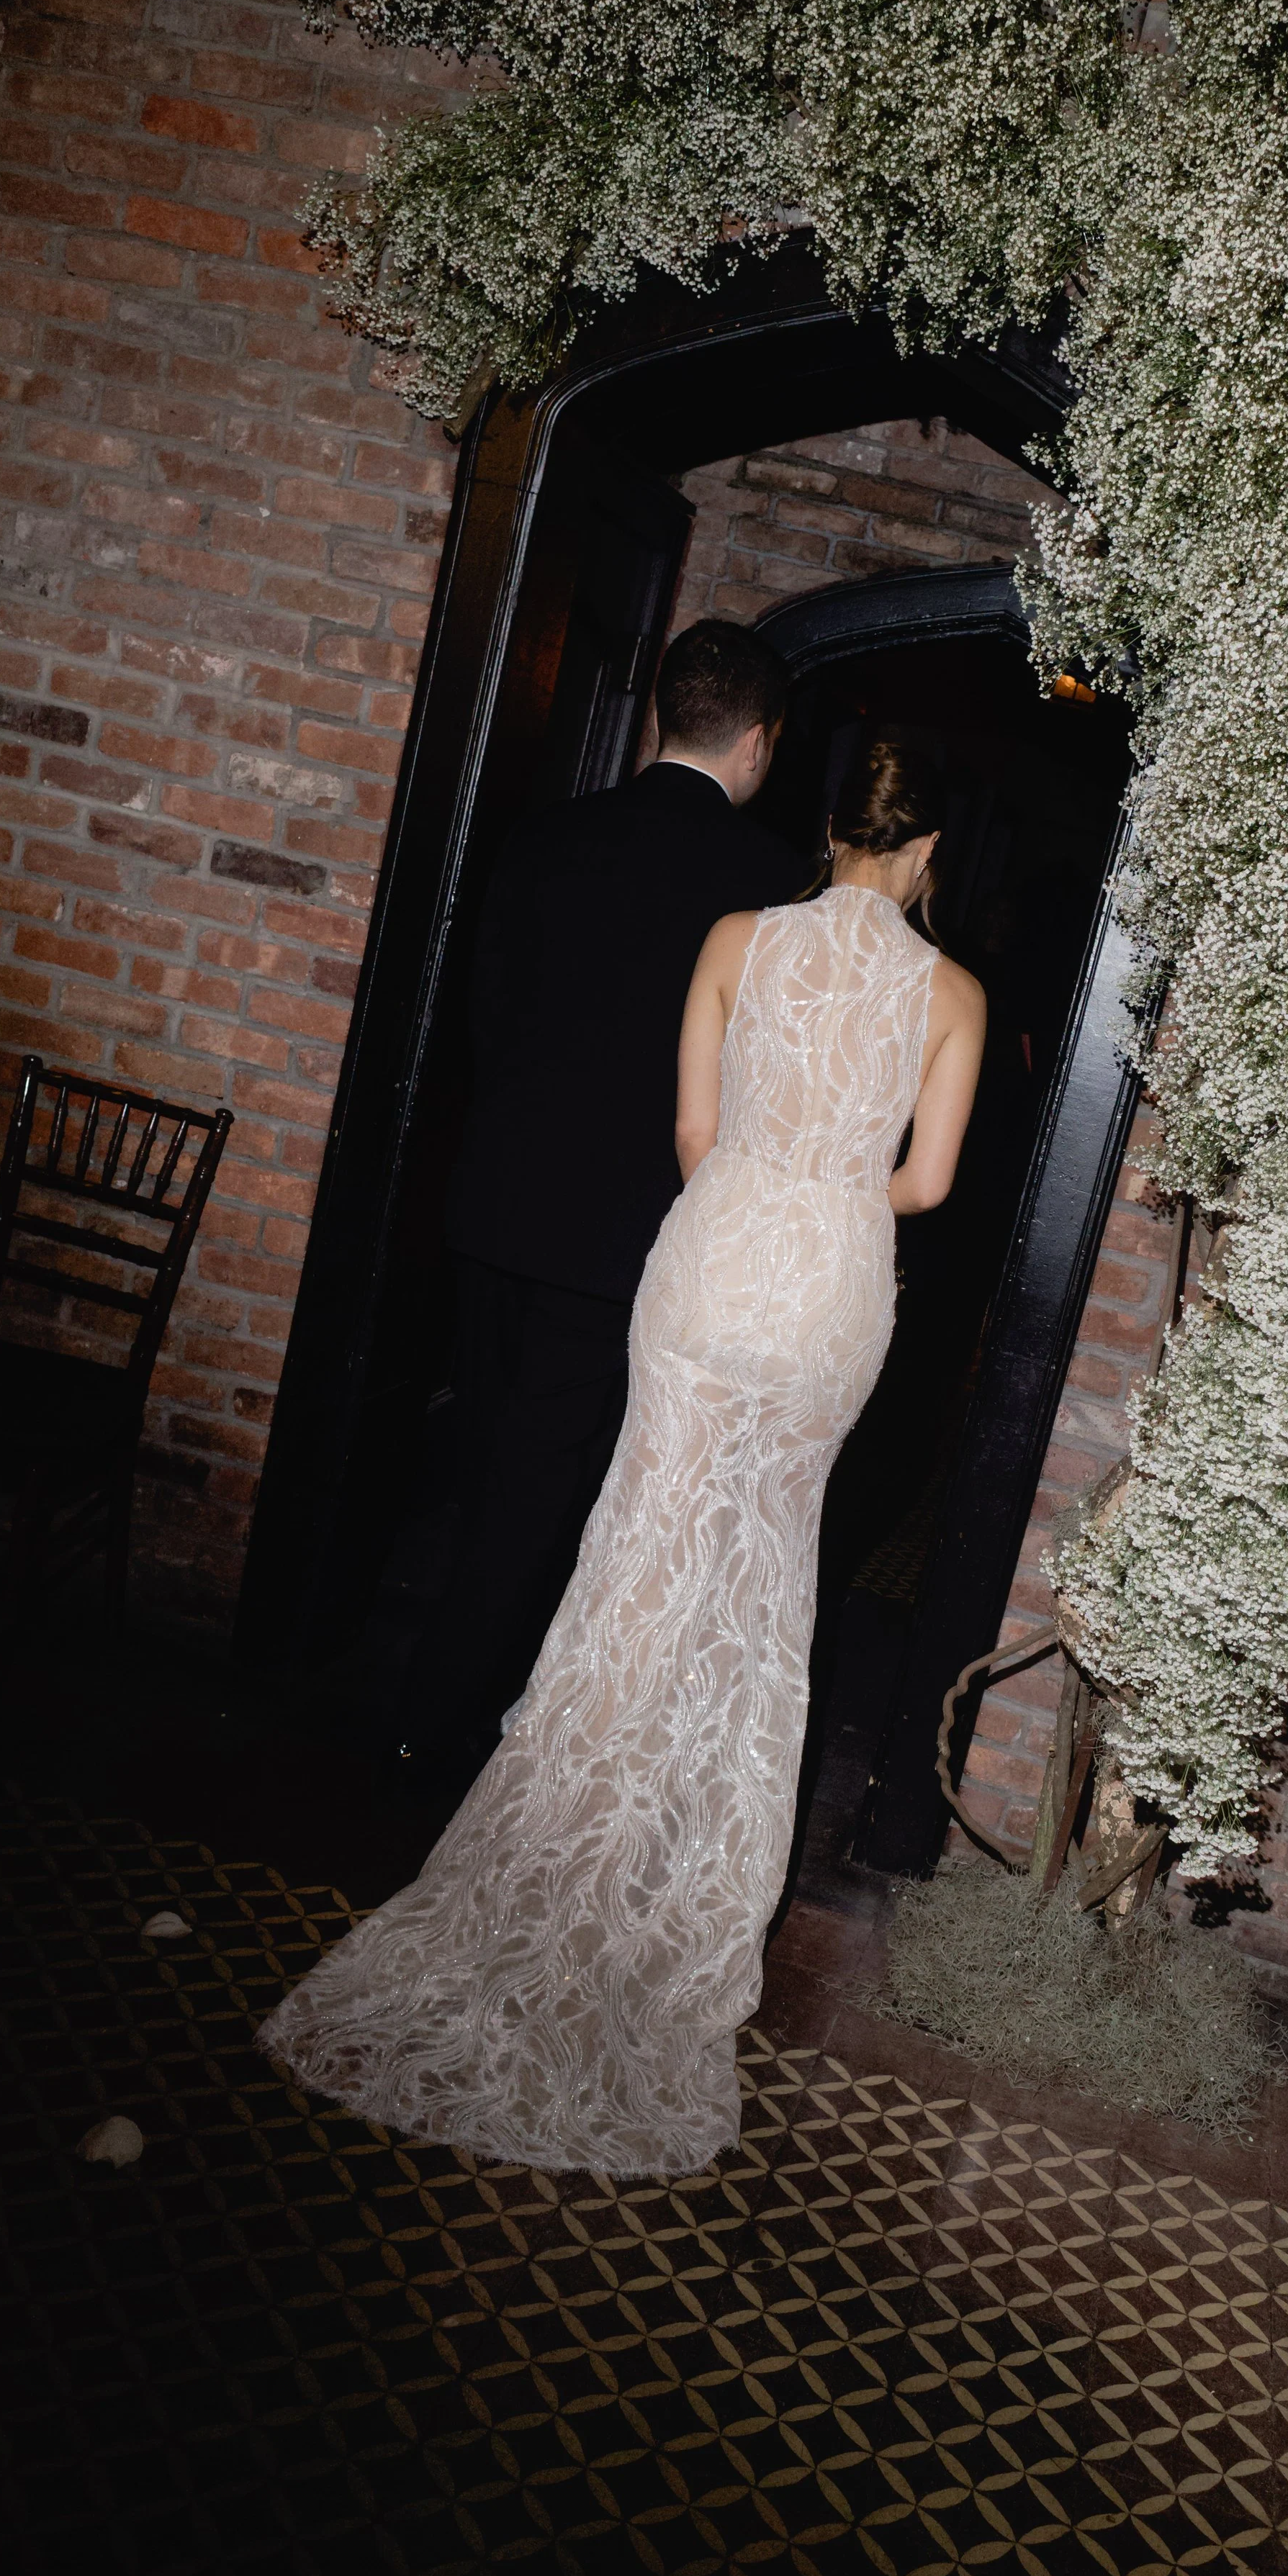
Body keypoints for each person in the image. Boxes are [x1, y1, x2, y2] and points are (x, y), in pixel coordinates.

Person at [261, 740, 986, 2178]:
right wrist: (833, 1184)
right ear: (926, 850)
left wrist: (770, 1175)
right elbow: (927, 1185)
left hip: (711, 1265)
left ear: (831, 825)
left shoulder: (735, 938)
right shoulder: (952, 994)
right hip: (830, 1288)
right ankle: (689, 1882)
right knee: (766, 1575)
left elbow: (692, 1135)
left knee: (639, 1547)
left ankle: (564, 1832)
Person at [398, 618, 803, 1787]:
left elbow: (483, 1018)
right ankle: (433, 1729)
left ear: (659, 715)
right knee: (540, 1494)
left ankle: (458, 1695)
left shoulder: (545, 838)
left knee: (490, 1469)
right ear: (762, 742)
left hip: (494, 1207)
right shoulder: (773, 888)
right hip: (623, 1238)